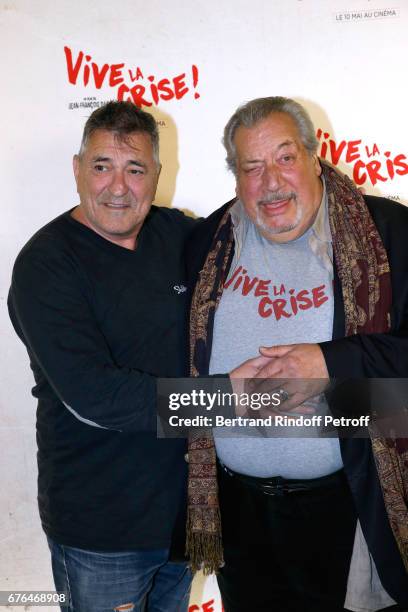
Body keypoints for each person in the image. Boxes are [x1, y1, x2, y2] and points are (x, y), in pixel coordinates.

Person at [185, 97, 408, 612]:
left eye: (285, 158)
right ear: (235, 175)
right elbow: (179, 390)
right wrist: (220, 401)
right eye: (252, 166)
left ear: (314, 154)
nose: (271, 182)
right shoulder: (204, 245)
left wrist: (333, 367)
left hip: (352, 510)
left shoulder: (390, 234)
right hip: (238, 515)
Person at [8, 101, 196, 612]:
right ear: (76, 170)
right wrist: (232, 403)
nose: (118, 187)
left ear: (157, 173)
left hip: (184, 517)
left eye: (135, 169)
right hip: (101, 531)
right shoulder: (46, 266)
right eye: (101, 167)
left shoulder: (177, 234)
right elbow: (97, 396)